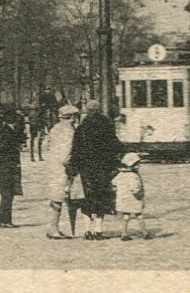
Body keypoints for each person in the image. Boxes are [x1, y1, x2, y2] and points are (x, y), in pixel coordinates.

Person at [67, 101, 125, 240]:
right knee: (101, 197)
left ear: (87, 110)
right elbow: (114, 143)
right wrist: (123, 152)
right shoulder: (106, 124)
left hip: (86, 168)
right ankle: (98, 230)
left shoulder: (82, 127)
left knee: (87, 198)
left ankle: (87, 231)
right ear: (99, 110)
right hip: (103, 167)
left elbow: (76, 149)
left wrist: (73, 167)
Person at [46, 103, 81, 239]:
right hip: (63, 169)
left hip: (52, 166)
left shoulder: (55, 129)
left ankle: (53, 227)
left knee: (56, 197)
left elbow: (47, 146)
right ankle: (53, 229)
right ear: (71, 117)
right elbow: (66, 154)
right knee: (60, 197)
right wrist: (71, 166)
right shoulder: (69, 132)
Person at [0, 118, 25, 227]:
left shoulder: (6, 131)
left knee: (7, 194)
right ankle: (5, 221)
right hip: (7, 168)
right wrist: (5, 162)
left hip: (5, 167)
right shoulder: (8, 133)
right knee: (8, 194)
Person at [113, 151, 147, 240]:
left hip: (123, 199)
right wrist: (140, 194)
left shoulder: (120, 174)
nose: (139, 166)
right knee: (139, 215)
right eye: (137, 164)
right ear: (132, 165)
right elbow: (135, 188)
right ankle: (144, 232)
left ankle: (124, 234)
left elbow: (113, 183)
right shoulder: (133, 176)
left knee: (125, 216)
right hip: (134, 199)